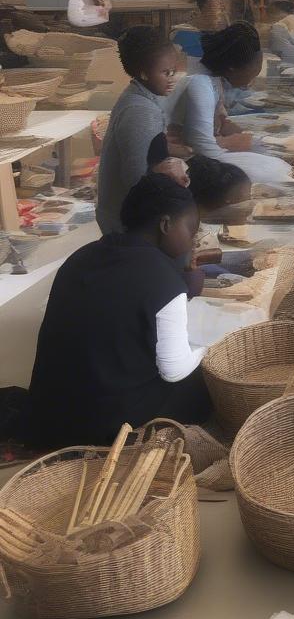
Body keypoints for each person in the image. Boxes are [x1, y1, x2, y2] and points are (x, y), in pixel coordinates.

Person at [28, 174, 210, 448]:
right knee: (203, 380)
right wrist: (209, 347)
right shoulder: (164, 280)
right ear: (166, 224)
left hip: (49, 415)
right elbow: (175, 370)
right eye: (191, 230)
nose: (194, 240)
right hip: (107, 428)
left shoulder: (83, 255)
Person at [172, 22, 292, 183]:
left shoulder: (212, 79)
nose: (252, 80)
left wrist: (231, 133)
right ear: (232, 68)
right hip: (183, 160)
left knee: (269, 157)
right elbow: (206, 153)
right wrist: (231, 143)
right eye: (253, 72)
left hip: (200, 150)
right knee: (273, 170)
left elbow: (218, 124)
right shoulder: (200, 85)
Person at [96, 27, 185, 234]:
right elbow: (135, 180)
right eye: (166, 73)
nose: (173, 78)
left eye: (174, 71)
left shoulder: (140, 95)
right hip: (126, 222)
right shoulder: (140, 110)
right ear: (143, 73)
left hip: (128, 212)